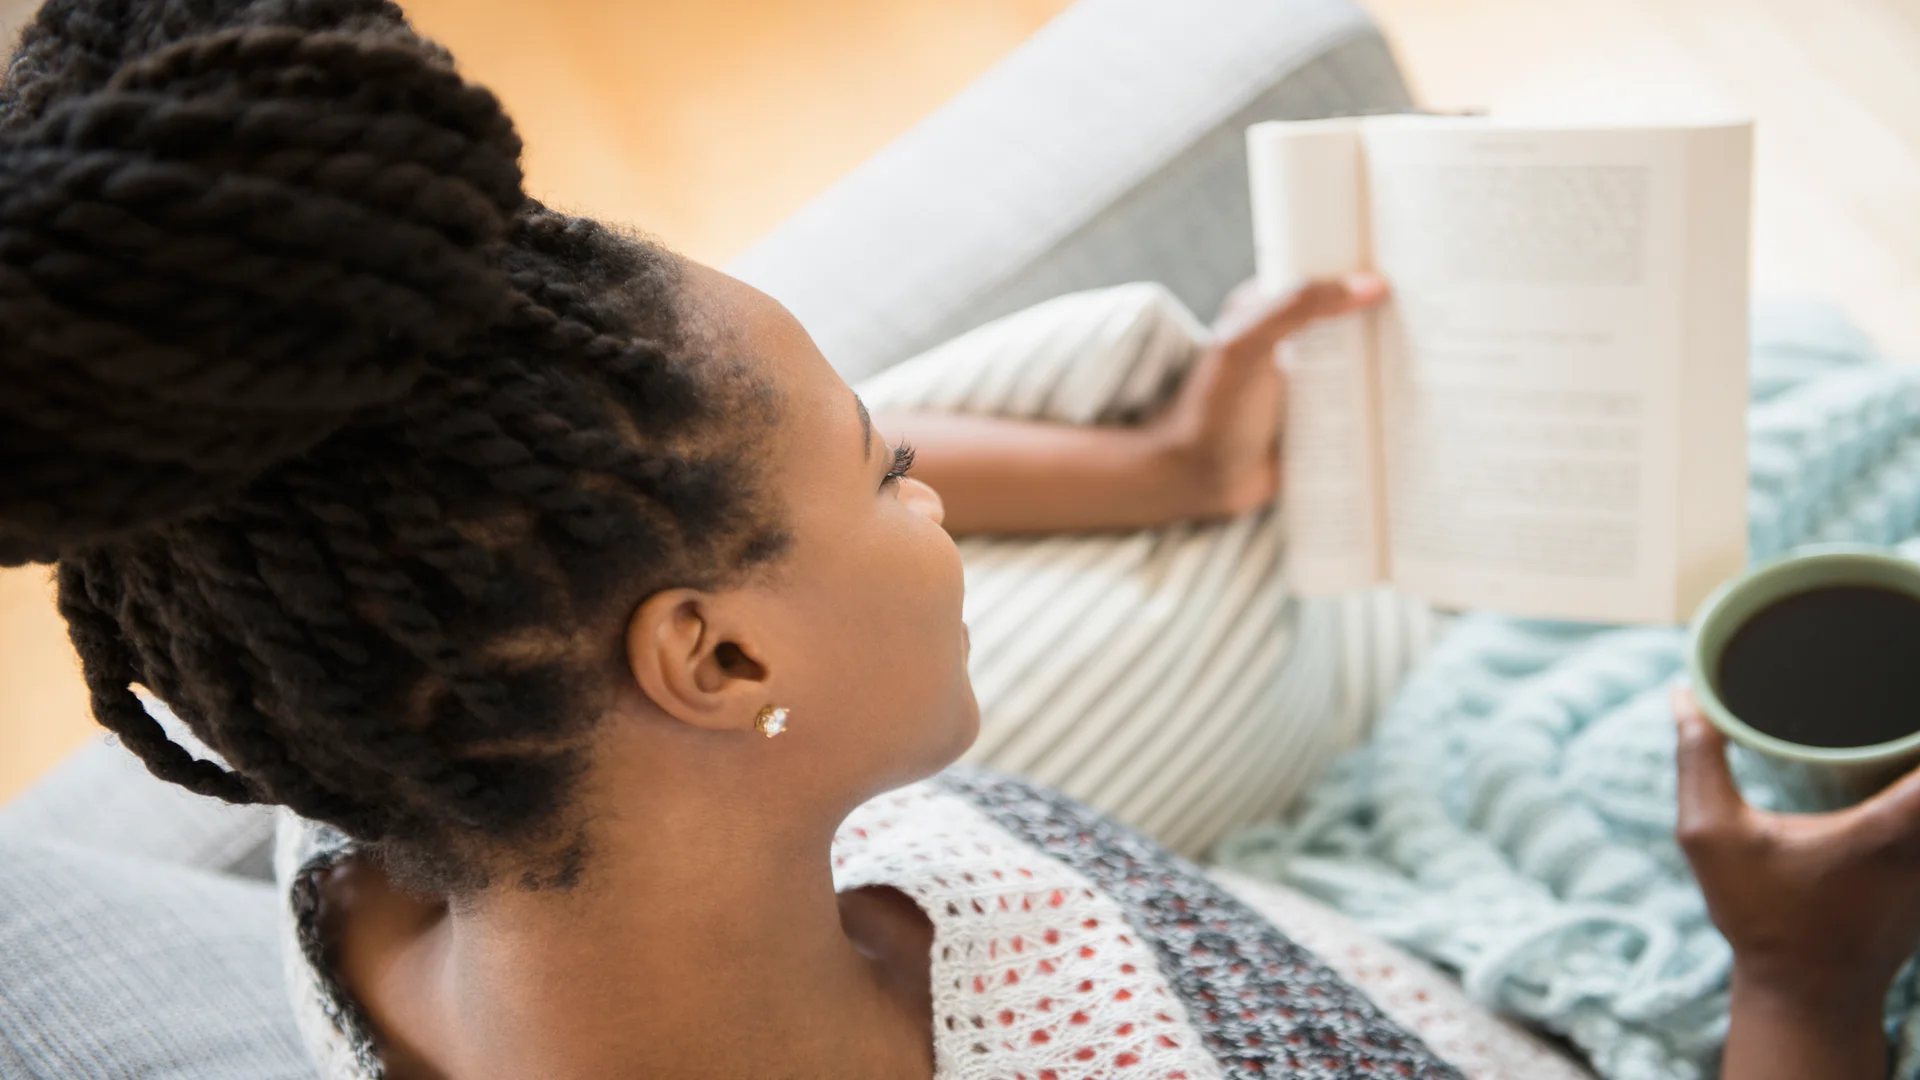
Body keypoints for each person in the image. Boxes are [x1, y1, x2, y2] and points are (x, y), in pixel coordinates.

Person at [2, 3, 1917, 1078]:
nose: (929, 481)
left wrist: (1159, 459)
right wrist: (1802, 985)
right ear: (723, 661)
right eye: (888, 461)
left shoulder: (382, 800)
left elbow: (611, 541)